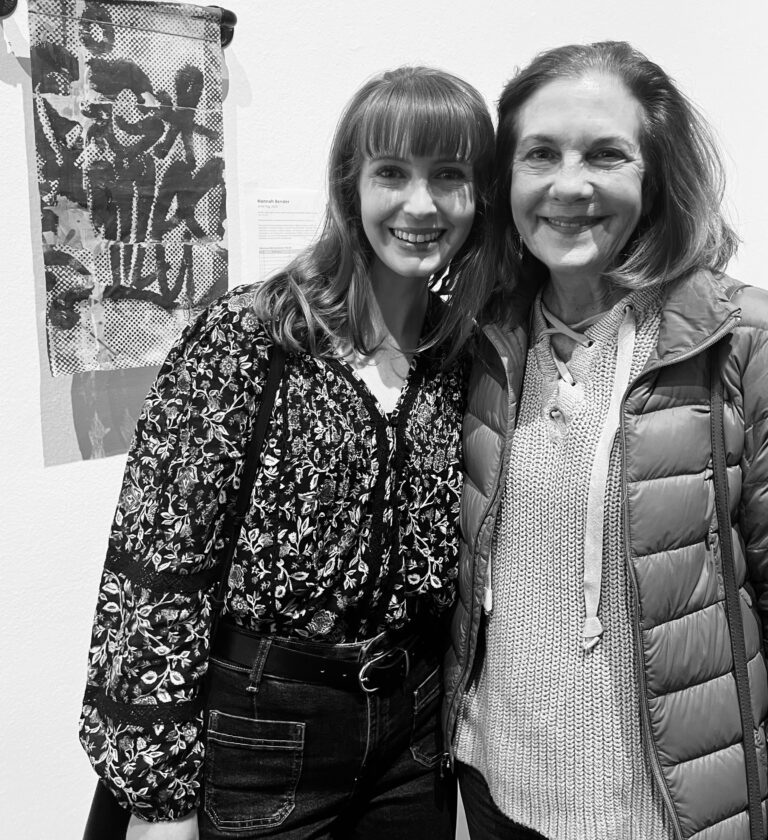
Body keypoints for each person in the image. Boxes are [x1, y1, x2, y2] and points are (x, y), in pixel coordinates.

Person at [79, 65, 496, 839]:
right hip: (261, 734)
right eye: (392, 173)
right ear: (350, 184)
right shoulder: (254, 338)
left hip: (413, 736)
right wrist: (158, 800)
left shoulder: (459, 354)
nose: (422, 204)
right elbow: (157, 566)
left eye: (450, 175)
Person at [444, 41, 768, 840]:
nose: (569, 185)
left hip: (668, 814)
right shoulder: (483, 339)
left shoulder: (738, 340)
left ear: (654, 177)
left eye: (605, 155)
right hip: (495, 790)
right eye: (540, 154)